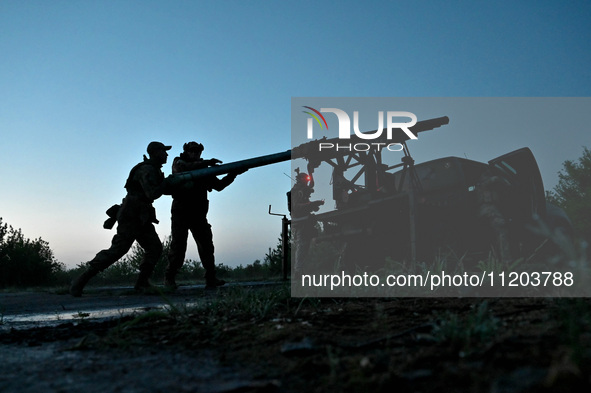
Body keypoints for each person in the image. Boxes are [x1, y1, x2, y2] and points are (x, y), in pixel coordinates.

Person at [70, 141, 172, 297]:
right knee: (119, 250)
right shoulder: (147, 169)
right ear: (156, 152)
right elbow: (152, 193)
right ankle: (80, 281)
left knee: (155, 248)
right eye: (164, 151)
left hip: (141, 215)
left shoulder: (153, 169)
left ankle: (142, 283)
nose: (166, 155)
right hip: (132, 214)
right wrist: (167, 183)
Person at [164, 141, 243, 289]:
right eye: (192, 151)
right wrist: (207, 163)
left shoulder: (203, 170)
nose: (195, 153)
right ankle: (169, 278)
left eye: (198, 151)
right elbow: (184, 168)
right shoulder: (179, 163)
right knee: (178, 246)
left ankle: (211, 278)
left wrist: (233, 173)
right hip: (181, 212)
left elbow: (218, 186)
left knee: (206, 245)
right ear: (186, 152)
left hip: (198, 213)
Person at [289, 169, 324, 276]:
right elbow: (297, 207)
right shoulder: (297, 191)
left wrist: (313, 206)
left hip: (305, 222)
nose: (308, 183)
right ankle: (298, 271)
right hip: (300, 223)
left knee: (306, 247)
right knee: (302, 246)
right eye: (306, 180)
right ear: (301, 180)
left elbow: (305, 205)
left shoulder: (302, 191)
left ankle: (300, 271)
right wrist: (311, 205)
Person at [476, 168, 512, 264]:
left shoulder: (485, 185)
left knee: (491, 236)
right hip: (488, 208)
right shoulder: (483, 184)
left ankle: (493, 261)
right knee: (501, 230)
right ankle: (506, 261)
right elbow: (496, 180)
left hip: (485, 210)